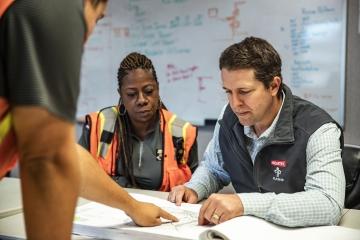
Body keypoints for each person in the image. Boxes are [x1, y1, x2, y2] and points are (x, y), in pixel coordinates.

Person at [0, 1, 177, 239]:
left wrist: (132, 207)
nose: (89, 33)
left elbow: (65, 153)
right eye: (99, 18)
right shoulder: (53, 8)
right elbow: (49, 159)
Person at [168, 36, 345, 228]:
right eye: (228, 91)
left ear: (273, 86)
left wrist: (245, 203)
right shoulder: (229, 117)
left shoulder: (318, 129)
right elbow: (214, 169)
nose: (234, 104)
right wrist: (194, 188)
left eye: (244, 92)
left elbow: (328, 204)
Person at [79, 52, 198, 191]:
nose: (142, 100)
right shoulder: (97, 126)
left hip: (159, 211)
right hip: (110, 209)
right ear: (121, 95)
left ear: (157, 89)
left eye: (148, 91)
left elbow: (194, 189)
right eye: (131, 94)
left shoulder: (183, 133)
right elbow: (75, 174)